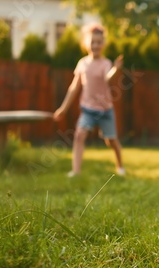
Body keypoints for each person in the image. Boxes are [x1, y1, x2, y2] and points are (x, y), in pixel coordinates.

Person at [54, 23, 125, 177]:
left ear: (103, 44)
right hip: (88, 110)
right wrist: (63, 108)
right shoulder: (82, 64)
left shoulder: (105, 63)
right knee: (79, 135)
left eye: (99, 42)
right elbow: (74, 88)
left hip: (105, 110)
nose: (95, 45)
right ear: (87, 43)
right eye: (92, 42)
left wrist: (116, 69)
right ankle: (76, 171)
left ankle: (120, 166)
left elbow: (108, 77)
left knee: (111, 141)